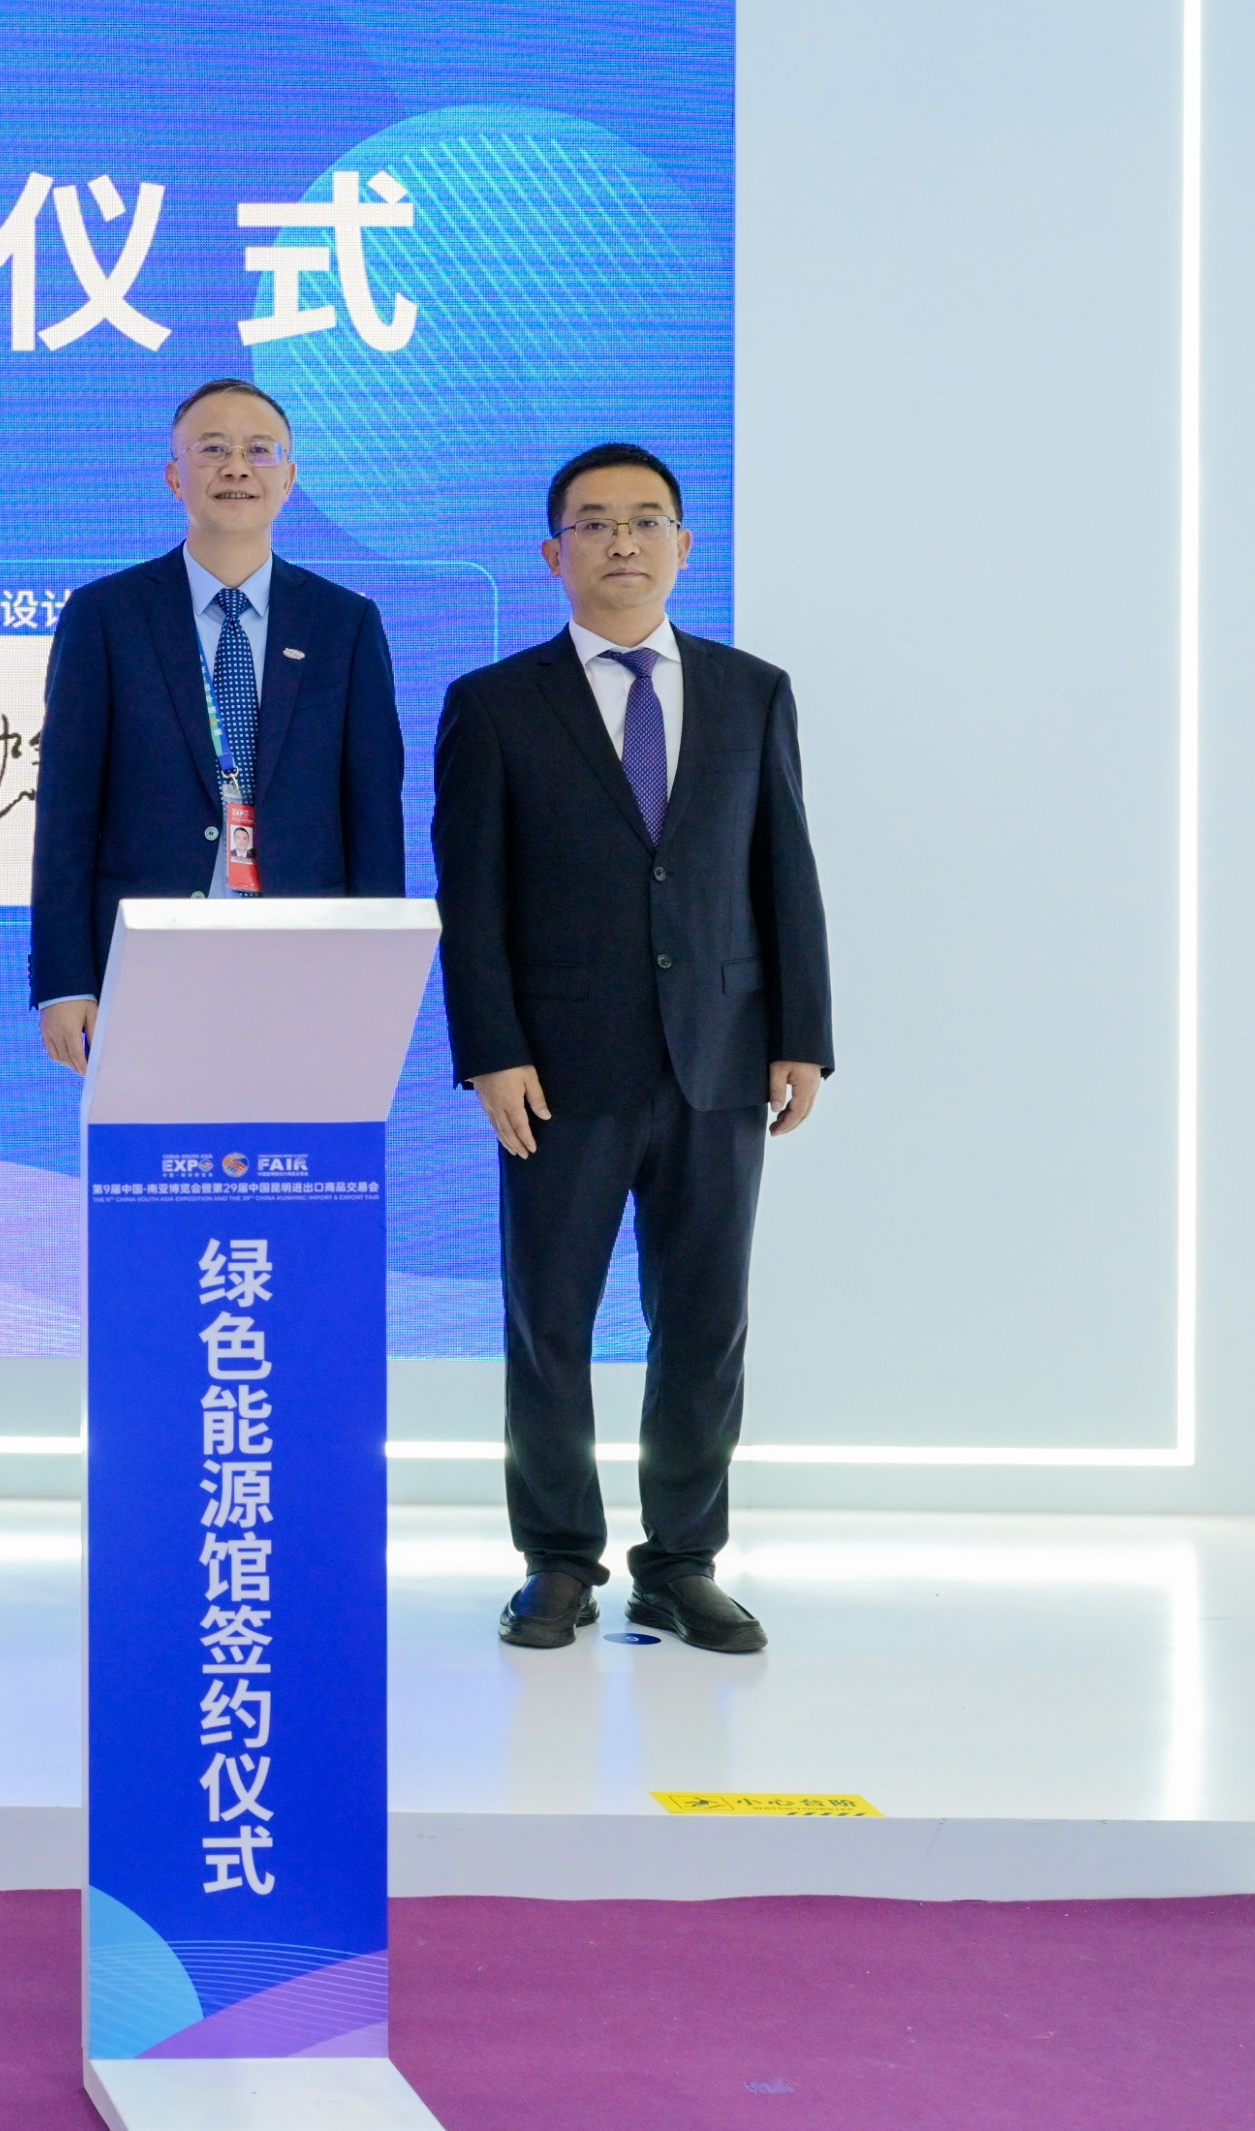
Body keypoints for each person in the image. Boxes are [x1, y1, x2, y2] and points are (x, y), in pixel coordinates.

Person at [434, 442, 831, 1657]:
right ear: (551, 551)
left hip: (721, 1055)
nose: (621, 541)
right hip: (556, 1070)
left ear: (682, 546)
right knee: (547, 1322)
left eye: (645, 520)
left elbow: (784, 869)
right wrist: (491, 1049)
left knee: (703, 1321)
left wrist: (802, 1034)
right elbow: (472, 896)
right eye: (594, 522)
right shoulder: (495, 702)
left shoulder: (752, 690)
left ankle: (681, 1562)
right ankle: (557, 1560)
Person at [31, 377, 406, 1073]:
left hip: (305, 955)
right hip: (146, 953)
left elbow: (374, 816)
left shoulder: (344, 623)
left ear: (289, 479)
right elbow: (65, 815)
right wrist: (65, 980)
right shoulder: (106, 615)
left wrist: (376, 975)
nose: (236, 467)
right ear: (175, 477)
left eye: (259, 451)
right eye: (212, 449)